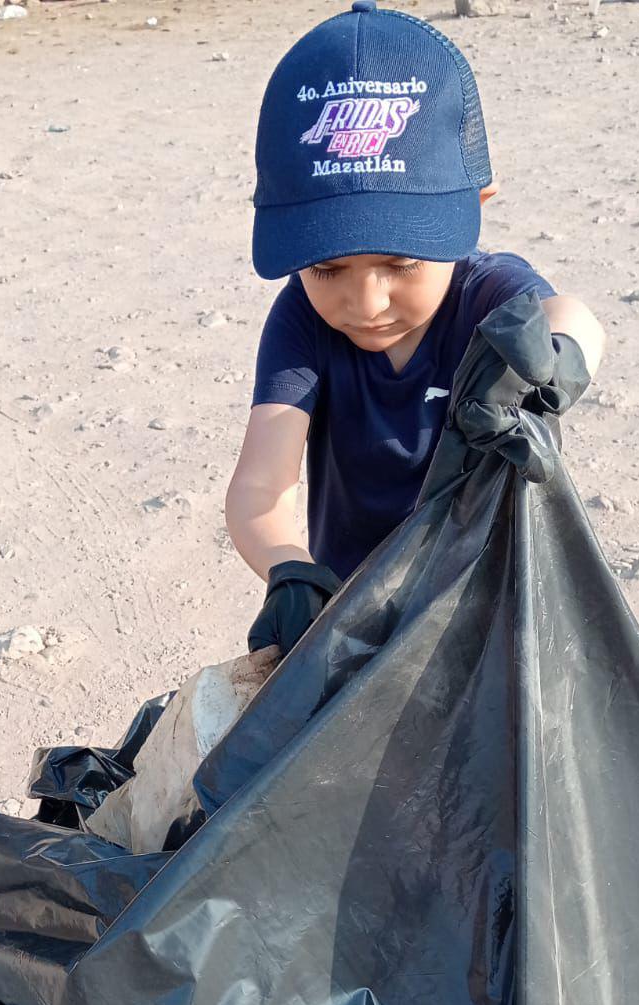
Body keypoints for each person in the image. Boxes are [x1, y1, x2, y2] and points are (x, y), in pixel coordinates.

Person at [228, 0, 606, 656]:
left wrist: (558, 356)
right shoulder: (301, 322)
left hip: (488, 600)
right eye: (326, 267)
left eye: (401, 262)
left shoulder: (486, 297)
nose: (366, 299)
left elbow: (574, 316)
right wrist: (289, 569)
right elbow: (262, 484)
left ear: (474, 207)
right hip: (352, 606)